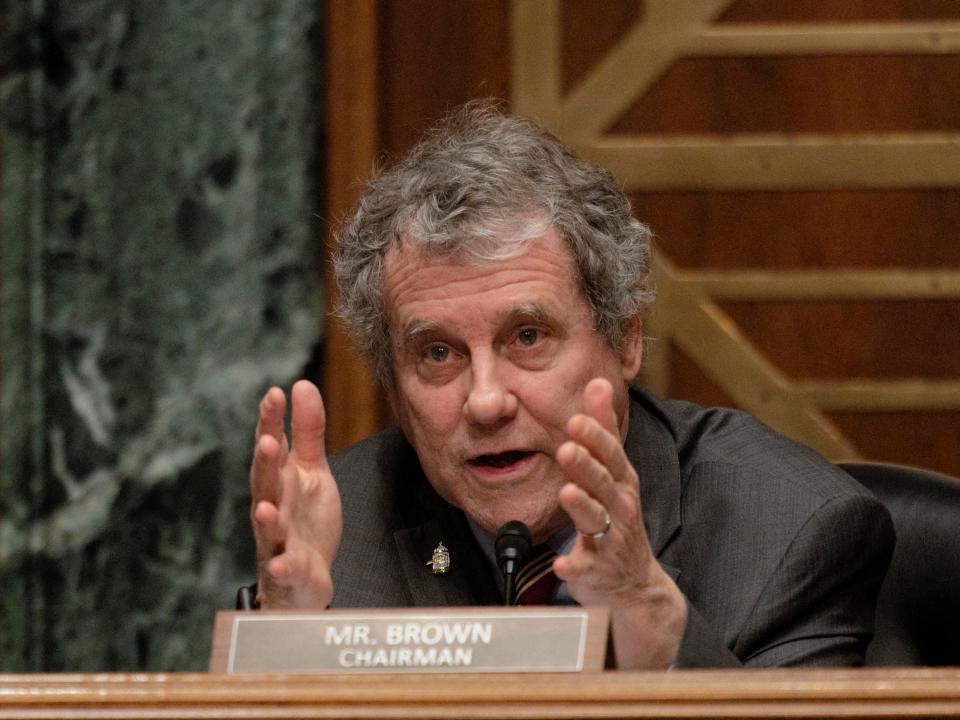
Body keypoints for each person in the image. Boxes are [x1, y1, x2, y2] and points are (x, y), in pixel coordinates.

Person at [247, 101, 893, 669]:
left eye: (528, 337)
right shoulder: (334, 541)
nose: (487, 401)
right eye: (438, 353)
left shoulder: (789, 534)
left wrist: (658, 633)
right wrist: (284, 656)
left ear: (626, 337)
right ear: (393, 386)